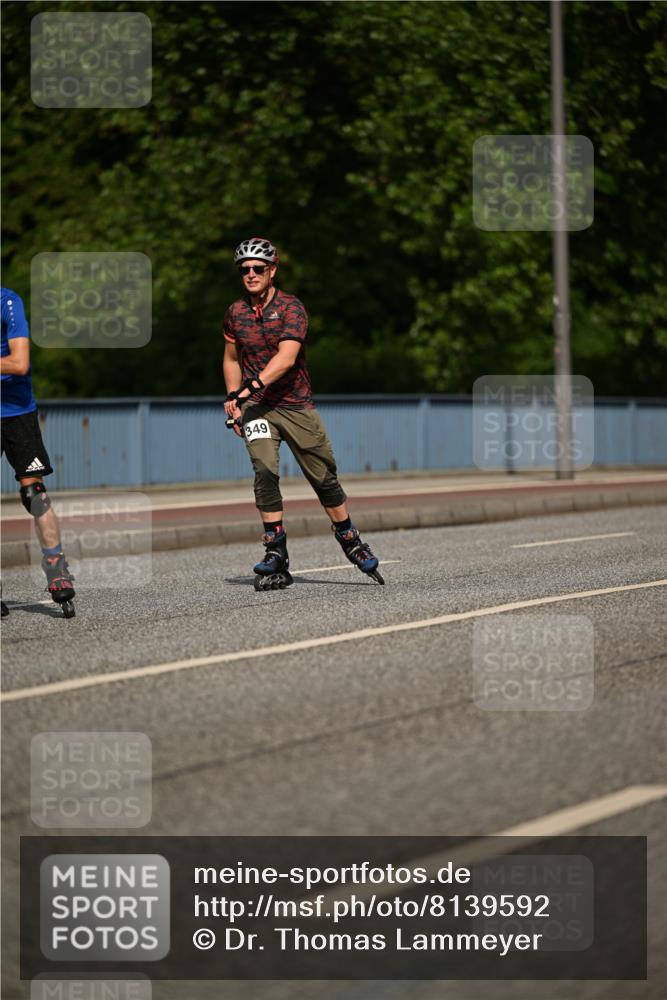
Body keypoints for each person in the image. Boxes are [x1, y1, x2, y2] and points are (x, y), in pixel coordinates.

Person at [222, 237, 384, 590]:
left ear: (272, 270)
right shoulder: (235, 312)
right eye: (244, 269)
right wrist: (235, 399)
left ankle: (349, 537)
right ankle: (275, 551)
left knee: (323, 477)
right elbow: (231, 359)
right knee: (264, 469)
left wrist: (250, 387)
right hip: (257, 408)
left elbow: (286, 358)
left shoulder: (292, 308)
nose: (250, 274)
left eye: (258, 269)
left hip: (295, 405)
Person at [1, 286, 76, 617]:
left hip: (16, 411)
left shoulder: (7, 301)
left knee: (34, 493)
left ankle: (56, 567)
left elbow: (19, 362)